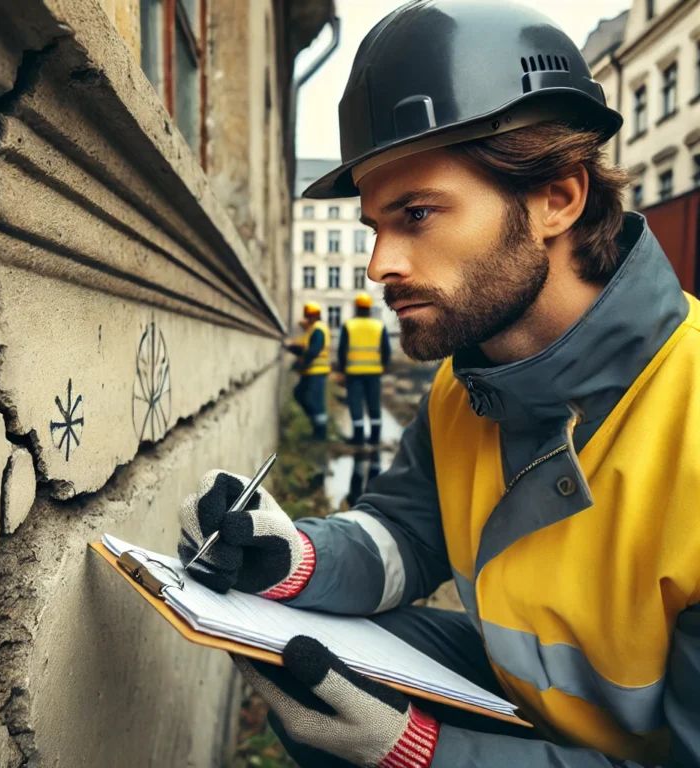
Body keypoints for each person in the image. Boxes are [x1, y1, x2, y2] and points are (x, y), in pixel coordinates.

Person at [177, 2, 700, 766]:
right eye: (375, 225)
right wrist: (291, 557)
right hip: (533, 715)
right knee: (306, 657)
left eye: (417, 214)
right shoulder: (470, 382)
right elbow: (408, 533)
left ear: (558, 197)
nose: (378, 264)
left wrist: (424, 753)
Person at [338, 292, 392, 446]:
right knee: (374, 404)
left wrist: (342, 369)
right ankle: (375, 438)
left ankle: (358, 438)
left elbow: (342, 350)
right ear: (369, 308)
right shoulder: (379, 326)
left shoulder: (349, 326)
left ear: (356, 308)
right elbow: (386, 350)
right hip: (374, 373)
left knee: (356, 404)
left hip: (353, 373)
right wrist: (384, 366)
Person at [284, 302, 330, 440]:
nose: (307, 319)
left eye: (309, 316)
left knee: (314, 400)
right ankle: (317, 426)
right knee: (300, 394)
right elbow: (304, 348)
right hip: (311, 371)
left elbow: (312, 351)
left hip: (316, 371)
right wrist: (291, 346)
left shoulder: (318, 329)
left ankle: (320, 433)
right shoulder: (312, 330)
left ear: (315, 316)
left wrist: (301, 361)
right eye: (307, 317)